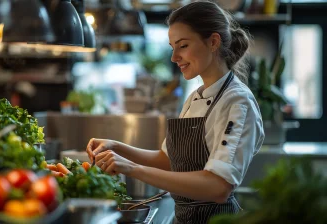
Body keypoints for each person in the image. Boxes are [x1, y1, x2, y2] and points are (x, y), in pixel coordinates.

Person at [86, 1, 265, 223]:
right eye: (173, 47)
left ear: (213, 42)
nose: (174, 57)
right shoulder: (195, 97)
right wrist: (116, 146)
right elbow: (168, 160)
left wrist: (131, 168)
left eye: (183, 46)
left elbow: (218, 187)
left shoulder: (237, 102)